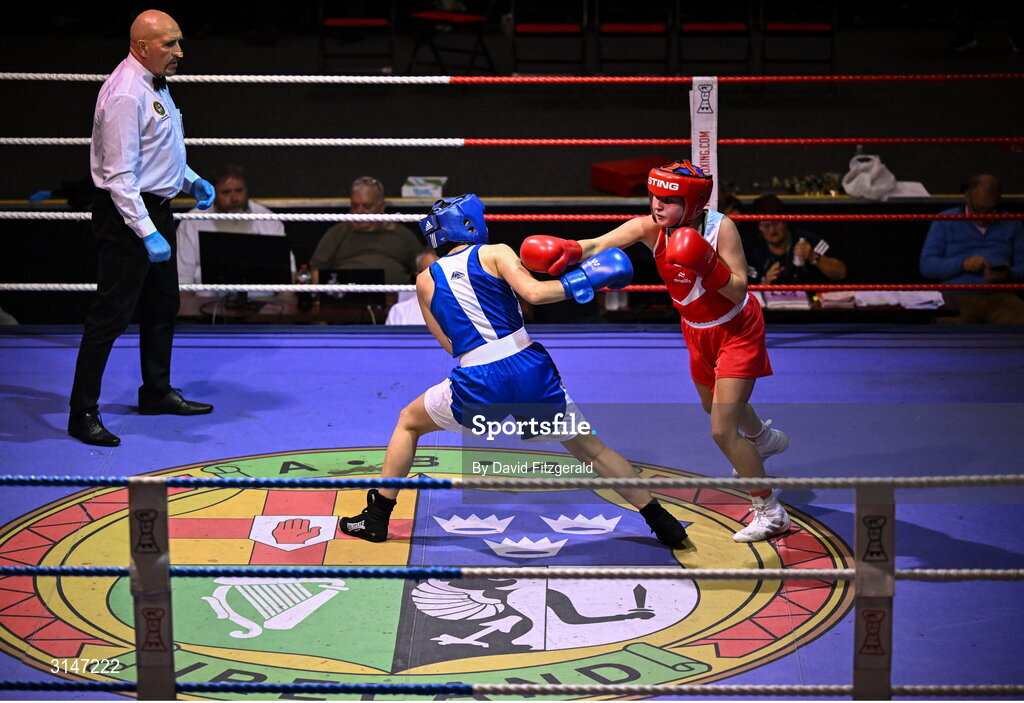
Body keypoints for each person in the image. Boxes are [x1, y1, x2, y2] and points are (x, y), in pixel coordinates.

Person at [340, 194, 688, 550]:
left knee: (408, 422)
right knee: (592, 451)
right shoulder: (496, 252)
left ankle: (377, 518)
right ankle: (663, 522)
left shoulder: (425, 280)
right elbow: (535, 294)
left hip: (478, 379)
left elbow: (451, 345)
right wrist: (586, 279)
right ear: (472, 224)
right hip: (528, 369)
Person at [519, 161, 791, 543]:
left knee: (721, 429)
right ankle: (761, 438)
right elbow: (597, 245)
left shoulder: (720, 228)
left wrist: (707, 263)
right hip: (696, 330)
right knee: (712, 404)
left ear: (694, 203)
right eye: (653, 196)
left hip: (736, 328)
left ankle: (770, 511)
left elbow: (739, 289)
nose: (657, 205)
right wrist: (567, 251)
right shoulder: (651, 227)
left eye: (668, 199)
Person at [68, 10, 215, 447]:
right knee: (110, 316)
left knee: (163, 304)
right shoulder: (124, 94)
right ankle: (82, 412)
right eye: (169, 44)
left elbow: (158, 151)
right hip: (126, 213)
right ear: (141, 46)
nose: (179, 52)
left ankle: (155, 391)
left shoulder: (155, 83)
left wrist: (190, 179)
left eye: (179, 42)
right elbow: (119, 177)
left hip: (157, 207)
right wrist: (145, 230)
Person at [920, 174, 1024, 324]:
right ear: (967, 197)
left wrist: (1008, 275)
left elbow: (1022, 266)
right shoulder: (945, 220)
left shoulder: (1012, 223)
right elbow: (927, 265)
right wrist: (963, 264)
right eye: (978, 209)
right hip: (957, 296)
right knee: (952, 327)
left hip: (1000, 297)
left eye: (991, 211)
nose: (984, 216)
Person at [175, 163, 294, 293]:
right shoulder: (192, 221)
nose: (234, 198)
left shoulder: (267, 219)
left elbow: (289, 276)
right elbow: (183, 281)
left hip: (264, 306)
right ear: (212, 193)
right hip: (208, 307)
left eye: (239, 190)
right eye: (226, 192)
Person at [309, 176, 423, 284]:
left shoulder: (403, 235)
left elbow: (424, 270)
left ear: (381, 207)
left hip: (395, 302)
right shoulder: (336, 233)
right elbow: (316, 270)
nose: (359, 211)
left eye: (367, 206)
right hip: (345, 301)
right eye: (354, 206)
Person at [746, 194, 847, 286]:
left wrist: (813, 256)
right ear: (758, 226)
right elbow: (746, 296)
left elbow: (841, 272)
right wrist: (766, 283)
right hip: (771, 305)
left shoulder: (807, 239)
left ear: (785, 220)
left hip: (809, 302)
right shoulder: (754, 251)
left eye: (776, 223)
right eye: (766, 225)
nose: (772, 231)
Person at [385, 249, 439, 325]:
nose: (438, 279)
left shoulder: (459, 306)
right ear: (418, 276)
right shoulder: (400, 311)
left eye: (443, 273)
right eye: (431, 273)